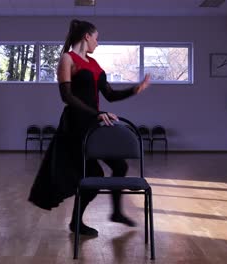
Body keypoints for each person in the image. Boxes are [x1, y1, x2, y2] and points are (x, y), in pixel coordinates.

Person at [28, 19, 150, 237]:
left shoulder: (94, 64)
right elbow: (66, 96)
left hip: (93, 124)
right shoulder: (67, 59)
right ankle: (76, 222)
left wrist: (135, 89)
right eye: (96, 38)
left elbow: (110, 95)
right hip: (75, 126)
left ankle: (117, 212)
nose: (97, 43)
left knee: (120, 166)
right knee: (92, 175)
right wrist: (97, 114)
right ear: (87, 36)